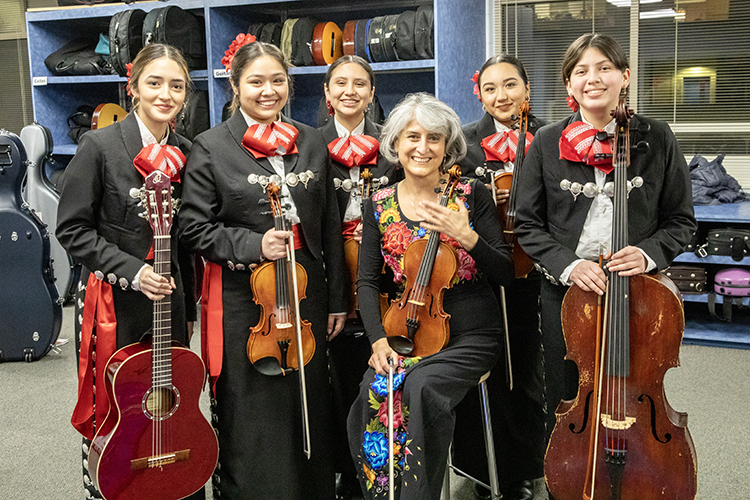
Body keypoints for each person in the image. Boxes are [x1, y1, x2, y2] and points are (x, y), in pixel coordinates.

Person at [177, 38, 347, 499]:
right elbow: (192, 228)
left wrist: (337, 299)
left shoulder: (311, 139)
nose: (268, 90)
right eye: (256, 81)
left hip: (307, 291)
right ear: (235, 85)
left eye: (277, 80)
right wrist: (254, 243)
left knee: (307, 401)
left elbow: (330, 223)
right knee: (254, 407)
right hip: (247, 299)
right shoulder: (210, 147)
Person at [514, 33, 697, 451]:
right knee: (565, 396)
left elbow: (681, 220)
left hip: (639, 293)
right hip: (566, 292)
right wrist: (569, 264)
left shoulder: (658, 137)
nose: (592, 79)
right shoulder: (545, 142)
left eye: (604, 68)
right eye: (580, 71)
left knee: (637, 386)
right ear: (568, 86)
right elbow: (527, 224)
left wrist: (650, 253)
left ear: (625, 77)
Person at [347, 92, 515, 499]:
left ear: (447, 147)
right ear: (396, 144)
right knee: (373, 390)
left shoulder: (471, 194)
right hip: (406, 331)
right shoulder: (379, 204)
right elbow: (367, 281)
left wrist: (467, 236)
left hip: (472, 333)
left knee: (421, 389)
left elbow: (506, 272)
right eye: (412, 137)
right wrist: (377, 340)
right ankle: (382, 492)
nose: (422, 148)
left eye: (434, 139)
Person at [56, 44, 199, 500]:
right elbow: (73, 229)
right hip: (114, 303)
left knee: (170, 403)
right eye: (154, 83)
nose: (165, 94)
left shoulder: (188, 151)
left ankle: (173, 484)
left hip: (171, 302)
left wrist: (190, 303)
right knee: (117, 406)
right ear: (133, 87)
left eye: (176, 86)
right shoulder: (99, 146)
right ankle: (111, 486)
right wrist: (133, 272)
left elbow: (189, 241)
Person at [452, 55, 546, 500]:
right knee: (485, 370)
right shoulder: (465, 144)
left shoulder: (551, 136)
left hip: (537, 272)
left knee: (527, 369)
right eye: (490, 88)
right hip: (482, 271)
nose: (502, 96)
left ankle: (526, 469)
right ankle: (478, 468)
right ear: (480, 95)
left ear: (527, 89)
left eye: (510, 85)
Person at [318, 55, 400, 500]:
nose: (350, 91)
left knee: (375, 370)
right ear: (327, 94)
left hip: (377, 272)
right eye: (341, 84)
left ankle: (378, 467)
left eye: (361, 84)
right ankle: (341, 469)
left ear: (372, 93)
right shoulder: (310, 145)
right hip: (331, 270)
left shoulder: (391, 146)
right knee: (334, 377)